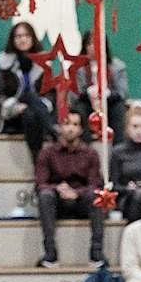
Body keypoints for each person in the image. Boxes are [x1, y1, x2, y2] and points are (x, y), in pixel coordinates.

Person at [34, 109, 106, 269]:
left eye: (75, 124)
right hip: (57, 201)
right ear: (59, 127)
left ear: (81, 130)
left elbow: (95, 183)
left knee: (96, 196)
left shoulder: (90, 153)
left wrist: (76, 193)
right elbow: (39, 184)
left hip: (82, 201)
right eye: (66, 124)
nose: (70, 128)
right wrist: (57, 188)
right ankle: (50, 253)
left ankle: (96, 253)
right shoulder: (47, 153)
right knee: (45, 195)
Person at [0, 20, 54, 158]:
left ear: (32, 38)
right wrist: (15, 107)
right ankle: (52, 132)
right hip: (12, 116)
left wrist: (36, 105)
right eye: (18, 36)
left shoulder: (43, 64)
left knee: (30, 109)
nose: (22, 39)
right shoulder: (5, 64)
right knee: (28, 98)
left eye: (26, 35)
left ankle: (38, 159)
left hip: (35, 114)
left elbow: (50, 93)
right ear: (13, 40)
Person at [70, 30, 129, 141]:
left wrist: (107, 93)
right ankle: (85, 149)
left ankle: (119, 149)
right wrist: (89, 92)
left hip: (110, 103)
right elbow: (74, 95)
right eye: (89, 44)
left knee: (119, 109)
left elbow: (122, 92)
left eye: (97, 43)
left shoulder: (117, 67)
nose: (93, 47)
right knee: (79, 110)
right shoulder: (77, 68)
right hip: (86, 103)